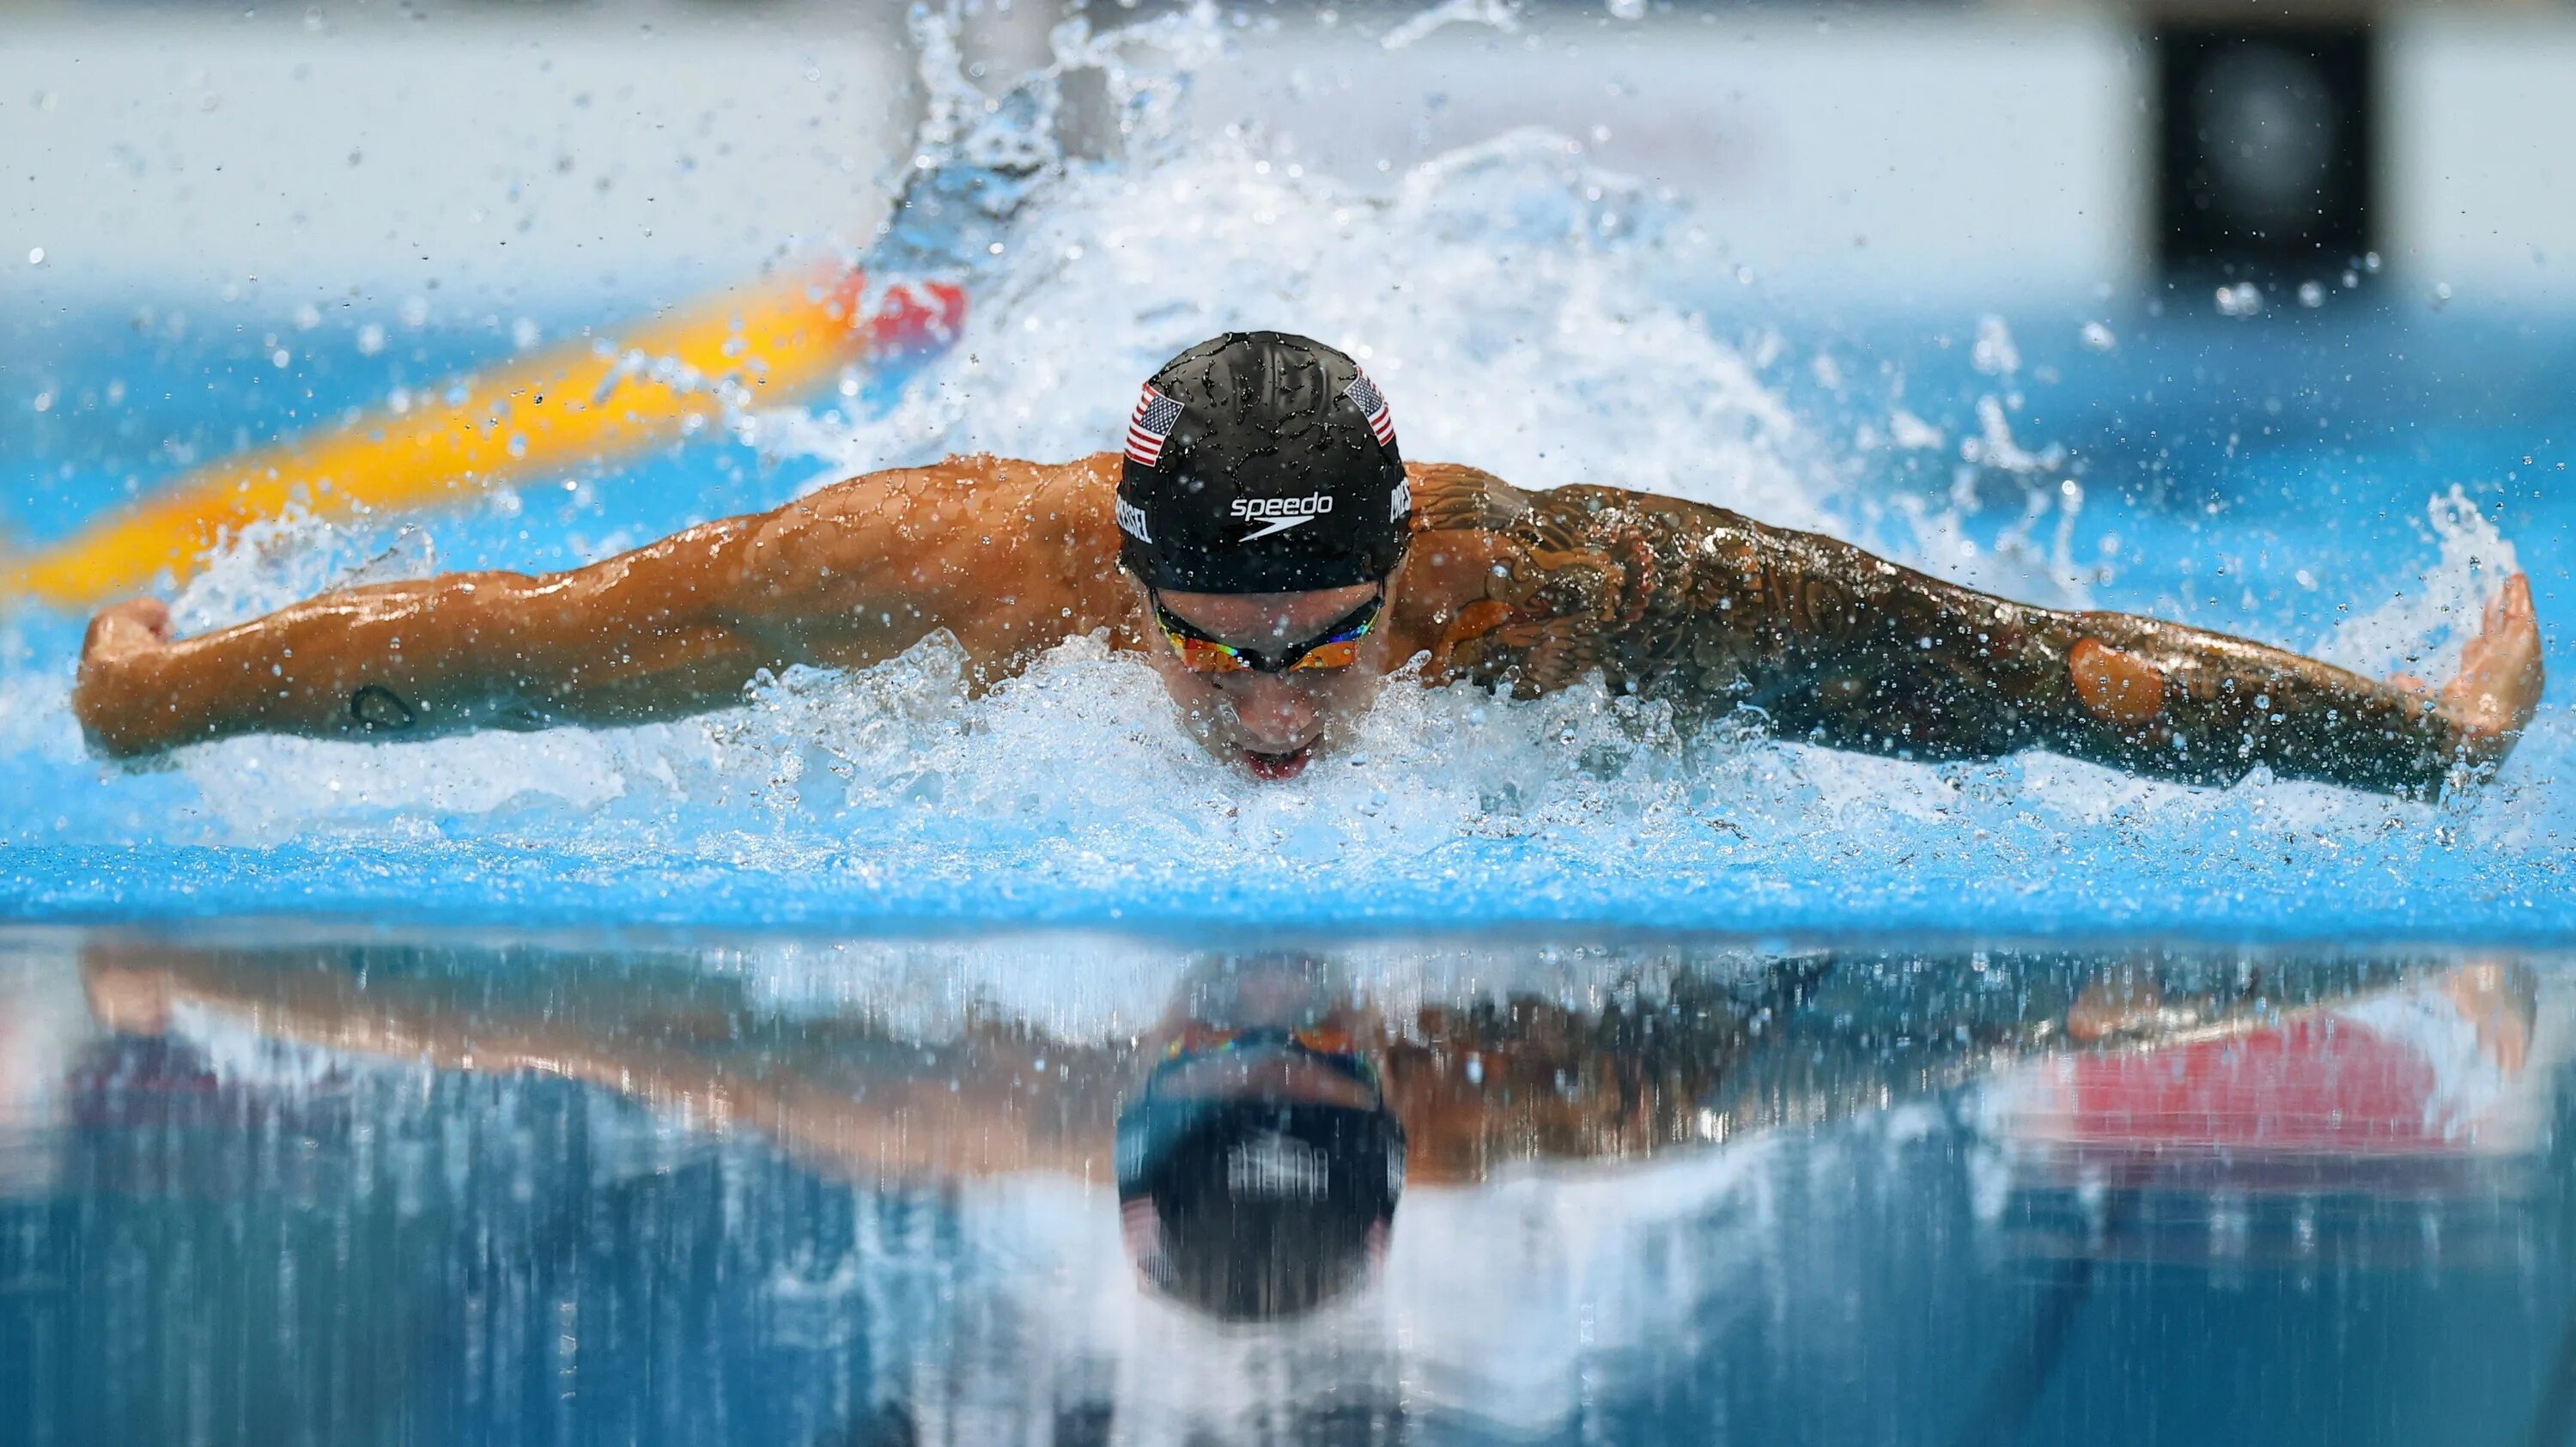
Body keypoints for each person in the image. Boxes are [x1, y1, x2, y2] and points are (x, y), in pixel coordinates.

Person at [74, 331, 2543, 793]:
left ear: (1407, 565)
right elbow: (510, 649)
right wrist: (157, 693)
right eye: (1216, 646)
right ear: (1115, 577)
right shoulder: (935, 573)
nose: (1278, 709)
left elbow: (2036, 674)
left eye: (1331, 645)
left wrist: (2419, 742)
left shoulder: (1553, 586)